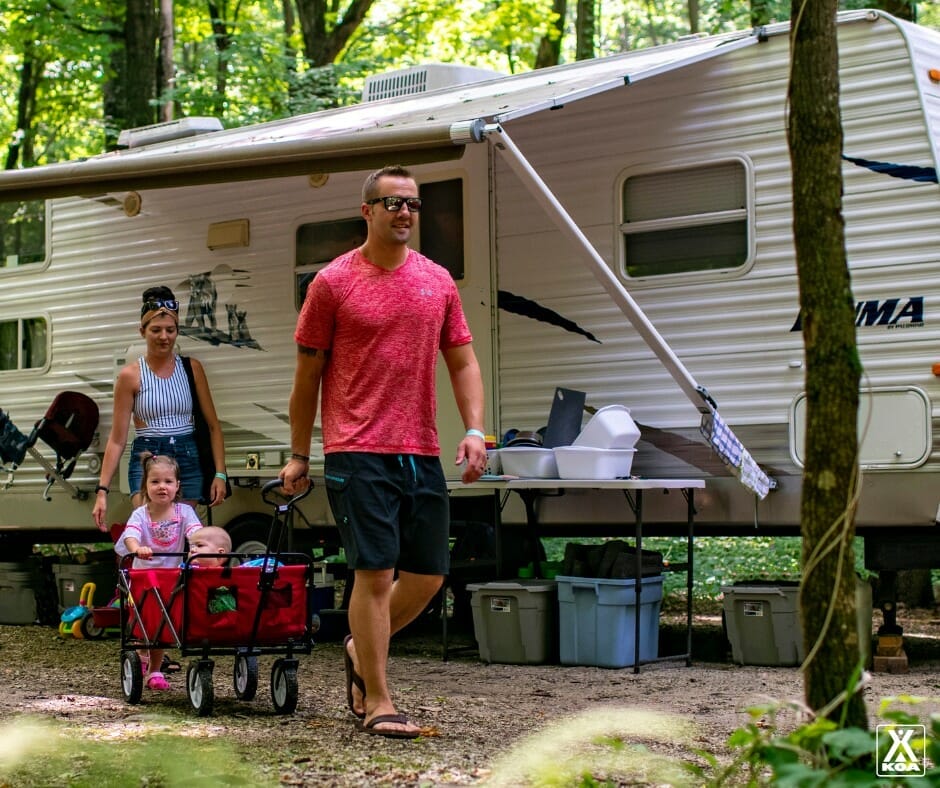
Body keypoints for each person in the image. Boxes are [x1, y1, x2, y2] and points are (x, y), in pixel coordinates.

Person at [278, 165, 487, 739]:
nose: (405, 213)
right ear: (367, 211)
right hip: (356, 448)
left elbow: (463, 360)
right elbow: (307, 376)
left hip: (420, 449)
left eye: (414, 205)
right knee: (374, 575)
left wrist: (475, 429)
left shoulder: (437, 281)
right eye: (393, 203)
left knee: (428, 575)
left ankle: (357, 647)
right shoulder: (333, 283)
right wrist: (301, 453)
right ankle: (379, 698)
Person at [92, 285, 228, 532]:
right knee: (154, 533)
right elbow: (117, 439)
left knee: (180, 536)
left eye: (170, 330)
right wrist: (102, 490)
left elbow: (212, 427)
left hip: (187, 457)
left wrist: (220, 474)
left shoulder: (192, 369)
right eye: (156, 330)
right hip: (148, 457)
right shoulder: (130, 376)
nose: (164, 337)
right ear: (142, 331)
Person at [115, 453, 203, 690]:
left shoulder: (183, 512)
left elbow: (195, 533)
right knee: (145, 623)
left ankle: (155, 670)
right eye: (155, 482)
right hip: (144, 578)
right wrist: (137, 549)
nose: (162, 487)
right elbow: (131, 536)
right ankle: (141, 656)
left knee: (162, 625)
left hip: (171, 579)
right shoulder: (140, 514)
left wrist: (198, 548)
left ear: (177, 486)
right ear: (145, 486)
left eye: (168, 482)